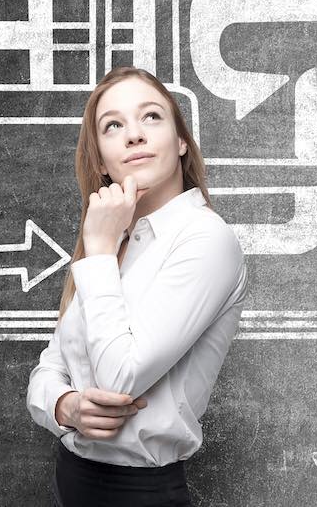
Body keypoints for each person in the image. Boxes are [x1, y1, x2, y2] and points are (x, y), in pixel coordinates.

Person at [26, 67, 248, 507]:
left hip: (139, 493)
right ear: (100, 161)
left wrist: (100, 251)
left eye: (151, 117)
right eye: (114, 125)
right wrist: (65, 407)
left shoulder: (205, 239)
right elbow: (48, 371)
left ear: (181, 141)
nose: (134, 135)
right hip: (74, 479)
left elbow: (119, 377)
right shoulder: (116, 239)